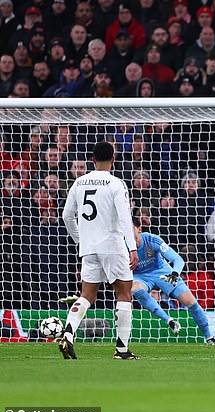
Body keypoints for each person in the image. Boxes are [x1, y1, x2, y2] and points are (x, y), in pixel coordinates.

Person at [60, 141, 139, 360]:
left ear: (92, 160)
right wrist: (132, 248)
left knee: (86, 295)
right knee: (124, 293)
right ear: (113, 159)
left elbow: (67, 216)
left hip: (89, 248)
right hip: (112, 247)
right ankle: (122, 350)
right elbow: (125, 217)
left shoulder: (79, 182)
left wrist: (80, 240)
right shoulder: (116, 184)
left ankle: (68, 334)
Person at [130, 218, 215, 345]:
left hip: (161, 271)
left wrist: (175, 274)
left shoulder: (151, 240)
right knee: (136, 289)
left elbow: (178, 259)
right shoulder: (122, 246)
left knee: (191, 302)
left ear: (139, 229)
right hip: (140, 275)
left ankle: (209, 337)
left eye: (130, 228)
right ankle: (169, 320)